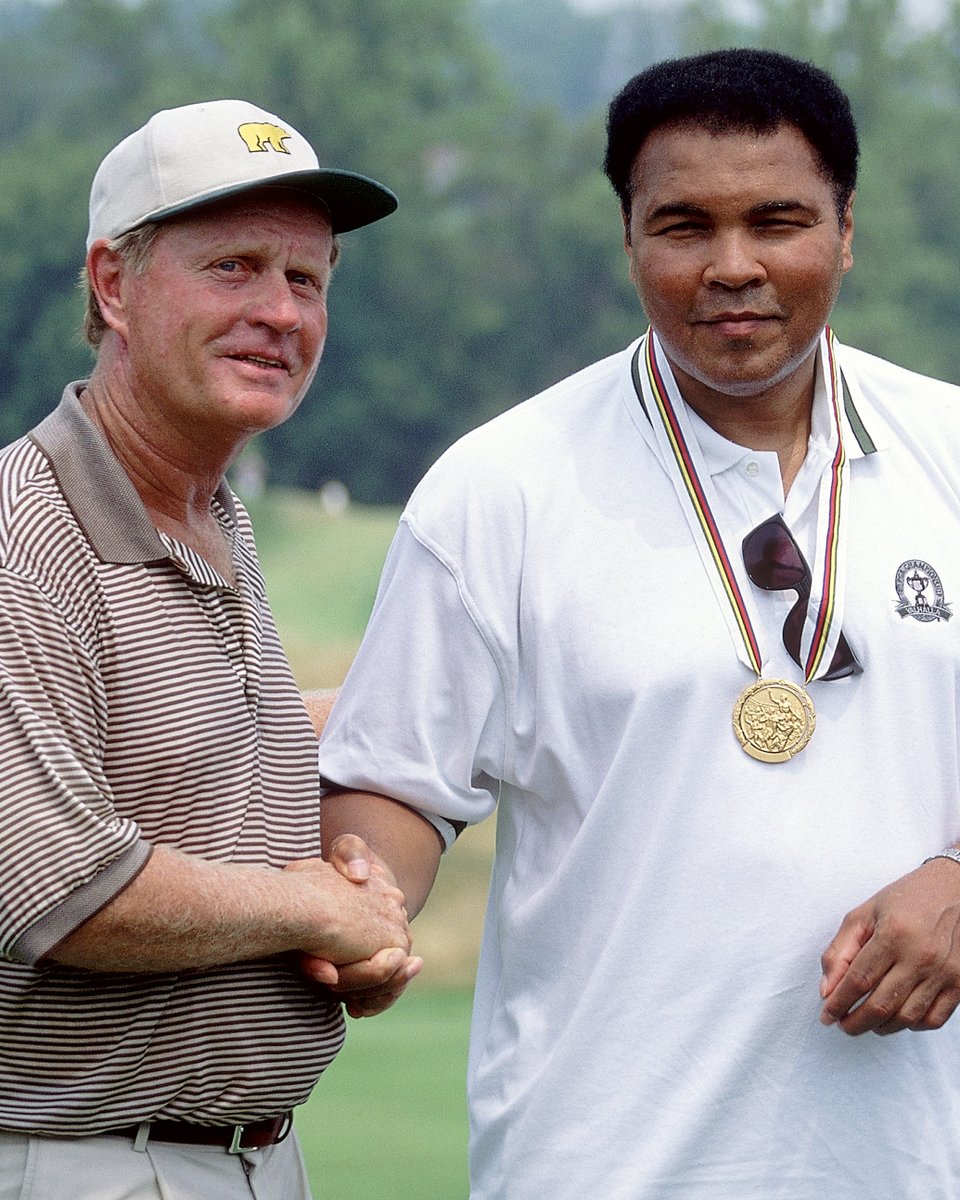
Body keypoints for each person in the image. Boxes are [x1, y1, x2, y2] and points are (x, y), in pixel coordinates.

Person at [315, 48, 960, 1198]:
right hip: (605, 1164)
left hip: (911, 1161)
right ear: (627, 239)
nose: (734, 267)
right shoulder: (499, 489)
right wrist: (367, 909)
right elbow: (397, 783)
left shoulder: (949, 453)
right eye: (682, 226)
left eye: (778, 221)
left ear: (849, 227)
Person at [0, 98, 421, 1200]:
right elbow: (60, 887)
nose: (279, 311)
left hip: (245, 1160)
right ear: (112, 285)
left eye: (306, 279)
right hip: (76, 1167)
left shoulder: (214, 517)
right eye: (233, 267)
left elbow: (229, 745)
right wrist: (314, 910)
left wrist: (357, 920)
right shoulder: (24, 538)